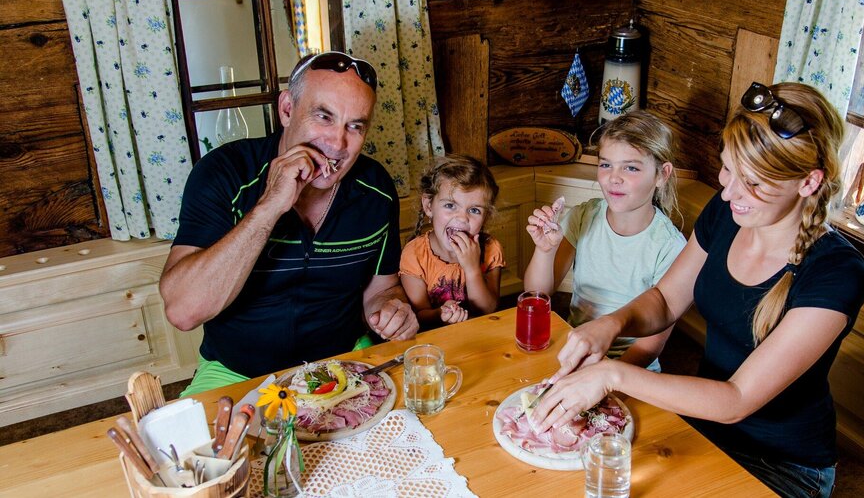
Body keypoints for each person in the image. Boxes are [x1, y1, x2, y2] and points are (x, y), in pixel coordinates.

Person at [530, 83, 864, 498]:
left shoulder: (837, 272)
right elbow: (666, 299)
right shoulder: (728, 213)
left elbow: (736, 399)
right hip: (704, 426)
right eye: (727, 169)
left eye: (754, 183)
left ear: (808, 182)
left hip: (782, 463)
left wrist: (612, 373)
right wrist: (610, 324)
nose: (729, 193)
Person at [160, 51, 419, 396]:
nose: (338, 144)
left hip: (343, 363)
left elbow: (382, 288)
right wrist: (269, 207)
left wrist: (391, 309)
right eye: (323, 117)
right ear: (286, 109)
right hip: (236, 372)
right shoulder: (223, 174)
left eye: (354, 126)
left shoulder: (376, 189)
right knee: (192, 448)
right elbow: (183, 311)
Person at [524, 111, 686, 372]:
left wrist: (600, 378)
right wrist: (545, 250)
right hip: (573, 353)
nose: (614, 177)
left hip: (629, 370)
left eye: (631, 167)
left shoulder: (670, 247)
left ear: (661, 175)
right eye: (605, 164)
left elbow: (648, 348)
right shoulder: (584, 216)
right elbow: (538, 294)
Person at [400, 154, 504, 327]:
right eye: (450, 205)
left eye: (475, 210)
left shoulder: (491, 249)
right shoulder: (414, 255)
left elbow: (488, 310)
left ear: (486, 217)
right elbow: (419, 317)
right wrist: (441, 313)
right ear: (428, 206)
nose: (462, 218)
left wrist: (472, 269)